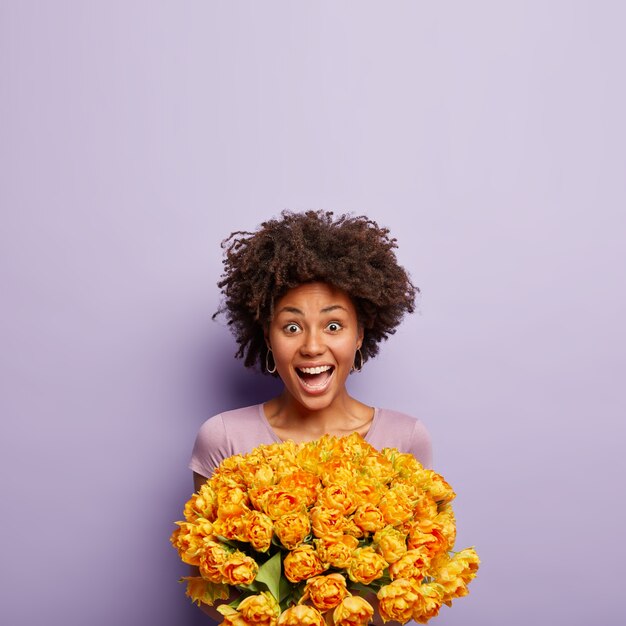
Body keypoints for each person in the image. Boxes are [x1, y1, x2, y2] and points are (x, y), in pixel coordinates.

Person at [188, 210, 432, 625]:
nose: (313, 347)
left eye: (334, 325)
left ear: (360, 335)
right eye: (292, 327)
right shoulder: (223, 438)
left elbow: (413, 586)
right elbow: (210, 584)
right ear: (268, 336)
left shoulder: (404, 438)